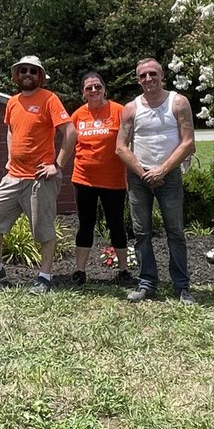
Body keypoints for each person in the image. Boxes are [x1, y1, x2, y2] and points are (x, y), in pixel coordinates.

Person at [0, 55, 76, 294]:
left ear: (40, 76)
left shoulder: (50, 99)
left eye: (32, 71)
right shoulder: (13, 102)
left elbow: (69, 132)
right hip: (13, 176)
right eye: (23, 71)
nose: (27, 74)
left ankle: (45, 277)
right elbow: (11, 129)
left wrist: (57, 166)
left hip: (40, 179)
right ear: (16, 76)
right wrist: (11, 157)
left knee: (43, 230)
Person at [116, 57, 197, 304]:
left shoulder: (179, 102)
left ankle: (181, 287)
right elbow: (120, 147)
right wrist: (143, 172)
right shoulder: (131, 108)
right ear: (138, 79)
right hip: (140, 177)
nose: (148, 79)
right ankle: (146, 283)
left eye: (153, 74)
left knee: (175, 231)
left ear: (162, 76)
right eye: (143, 76)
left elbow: (188, 143)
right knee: (141, 232)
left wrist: (162, 170)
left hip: (168, 176)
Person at [68, 71, 132, 286]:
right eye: (89, 88)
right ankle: (79, 271)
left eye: (97, 86)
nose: (94, 90)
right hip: (83, 178)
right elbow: (69, 143)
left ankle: (123, 271)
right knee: (85, 224)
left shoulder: (119, 111)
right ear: (83, 93)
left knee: (116, 224)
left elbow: (129, 140)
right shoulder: (77, 115)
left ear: (105, 88)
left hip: (113, 180)